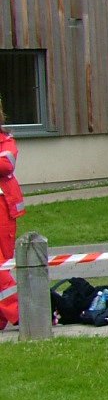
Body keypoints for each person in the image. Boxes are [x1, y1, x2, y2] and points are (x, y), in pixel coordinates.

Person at [0, 97, 24, 330]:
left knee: (3, 266)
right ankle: (19, 312)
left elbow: (6, 165)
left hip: (3, 213)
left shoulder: (6, 140)